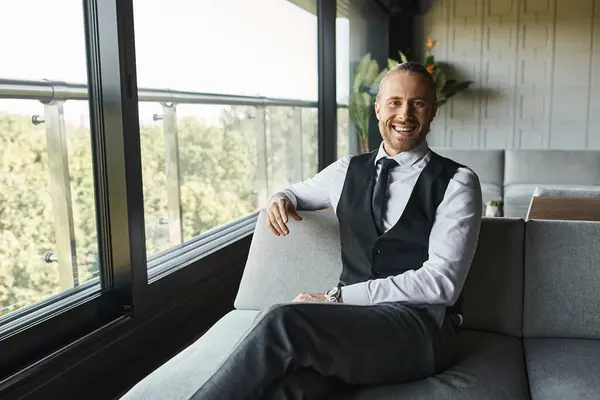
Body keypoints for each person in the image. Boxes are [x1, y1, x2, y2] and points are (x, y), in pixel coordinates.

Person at [191, 61, 483, 399]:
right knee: (290, 390)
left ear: (432, 111)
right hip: (351, 325)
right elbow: (296, 192)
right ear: (378, 109)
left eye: (417, 103)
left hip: (419, 330)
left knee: (284, 322)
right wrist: (279, 198)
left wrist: (338, 297)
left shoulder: (458, 182)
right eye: (395, 102)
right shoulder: (346, 170)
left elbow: (441, 285)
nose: (405, 114)